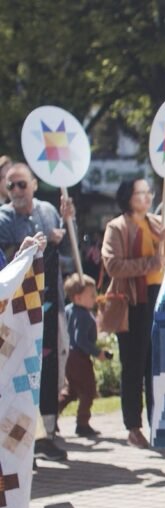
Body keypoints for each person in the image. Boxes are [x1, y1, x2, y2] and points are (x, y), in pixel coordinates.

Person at [0, 163, 74, 462]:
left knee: (49, 366)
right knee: (19, 372)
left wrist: (69, 223)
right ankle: (19, 445)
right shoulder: (3, 218)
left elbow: (68, 248)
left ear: (33, 184)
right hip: (17, 309)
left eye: (21, 184)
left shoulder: (48, 210)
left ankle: (47, 434)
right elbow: (7, 258)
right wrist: (43, 240)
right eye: (10, 186)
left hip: (49, 299)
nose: (16, 191)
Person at [102, 178, 165, 449]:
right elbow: (113, 265)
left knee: (156, 366)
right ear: (127, 197)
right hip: (133, 301)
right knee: (134, 365)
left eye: (148, 193)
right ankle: (133, 426)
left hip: (159, 299)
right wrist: (148, 264)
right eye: (139, 193)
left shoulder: (157, 223)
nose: (146, 198)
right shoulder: (117, 227)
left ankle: (159, 423)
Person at [58, 273, 113, 437]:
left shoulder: (68, 310)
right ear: (78, 297)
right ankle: (82, 423)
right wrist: (98, 353)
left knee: (72, 390)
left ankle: (51, 416)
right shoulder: (83, 315)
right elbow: (80, 340)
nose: (95, 298)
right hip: (79, 357)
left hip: (68, 355)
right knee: (88, 390)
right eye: (91, 295)